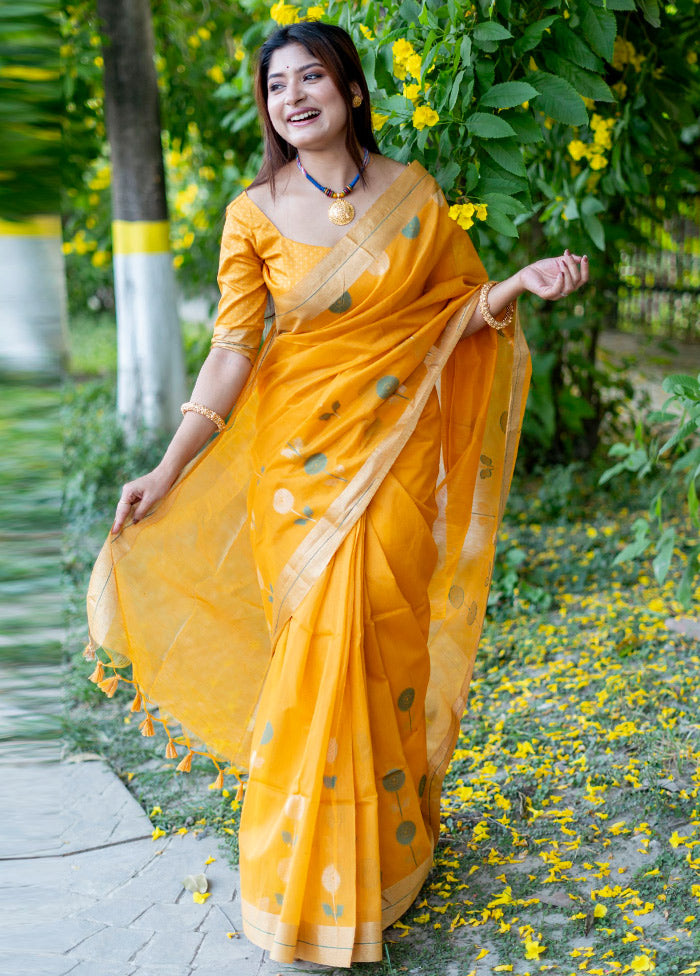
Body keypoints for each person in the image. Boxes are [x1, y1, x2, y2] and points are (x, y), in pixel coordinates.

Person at [86, 21, 588, 968]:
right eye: (277, 87)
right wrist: (169, 465)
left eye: (310, 77)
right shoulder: (252, 212)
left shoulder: (413, 197)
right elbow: (235, 349)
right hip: (297, 472)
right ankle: (296, 880)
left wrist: (517, 282)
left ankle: (385, 859)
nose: (293, 98)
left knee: (380, 644)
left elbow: (455, 316)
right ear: (270, 110)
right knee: (315, 653)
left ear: (351, 90)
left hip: (392, 459)